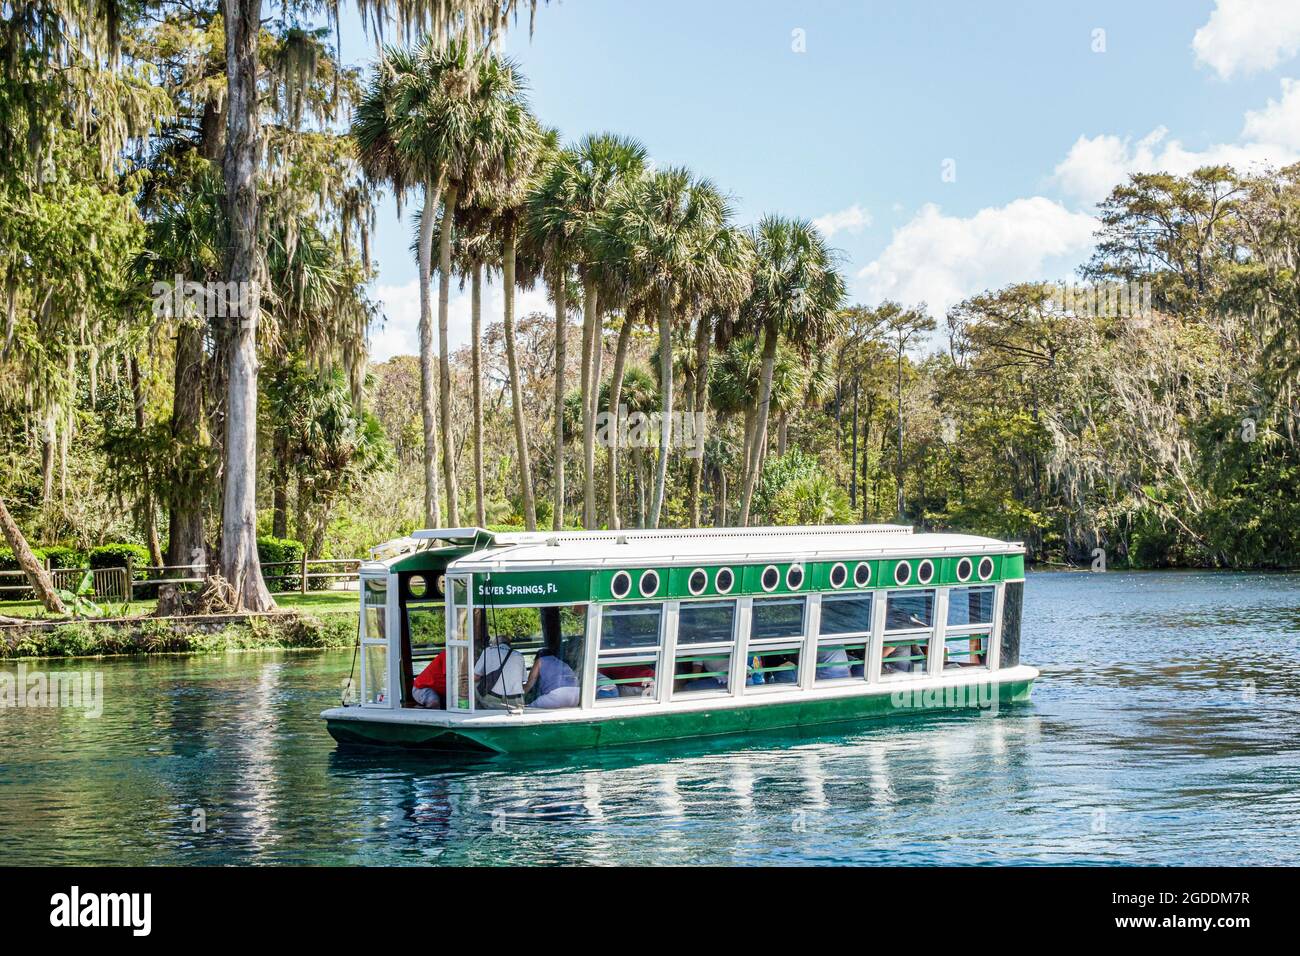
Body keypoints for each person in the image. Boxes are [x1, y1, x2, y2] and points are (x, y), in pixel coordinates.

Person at [525, 627, 579, 709]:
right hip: (577, 694)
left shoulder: (540, 660)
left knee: (528, 709)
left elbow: (529, 684)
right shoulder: (563, 663)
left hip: (558, 694)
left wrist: (518, 697)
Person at [474, 629, 526, 708]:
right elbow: (522, 680)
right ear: (509, 645)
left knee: (473, 684)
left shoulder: (488, 651)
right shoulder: (519, 655)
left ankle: (475, 712)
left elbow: (476, 676)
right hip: (516, 701)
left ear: (495, 644)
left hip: (494, 699)